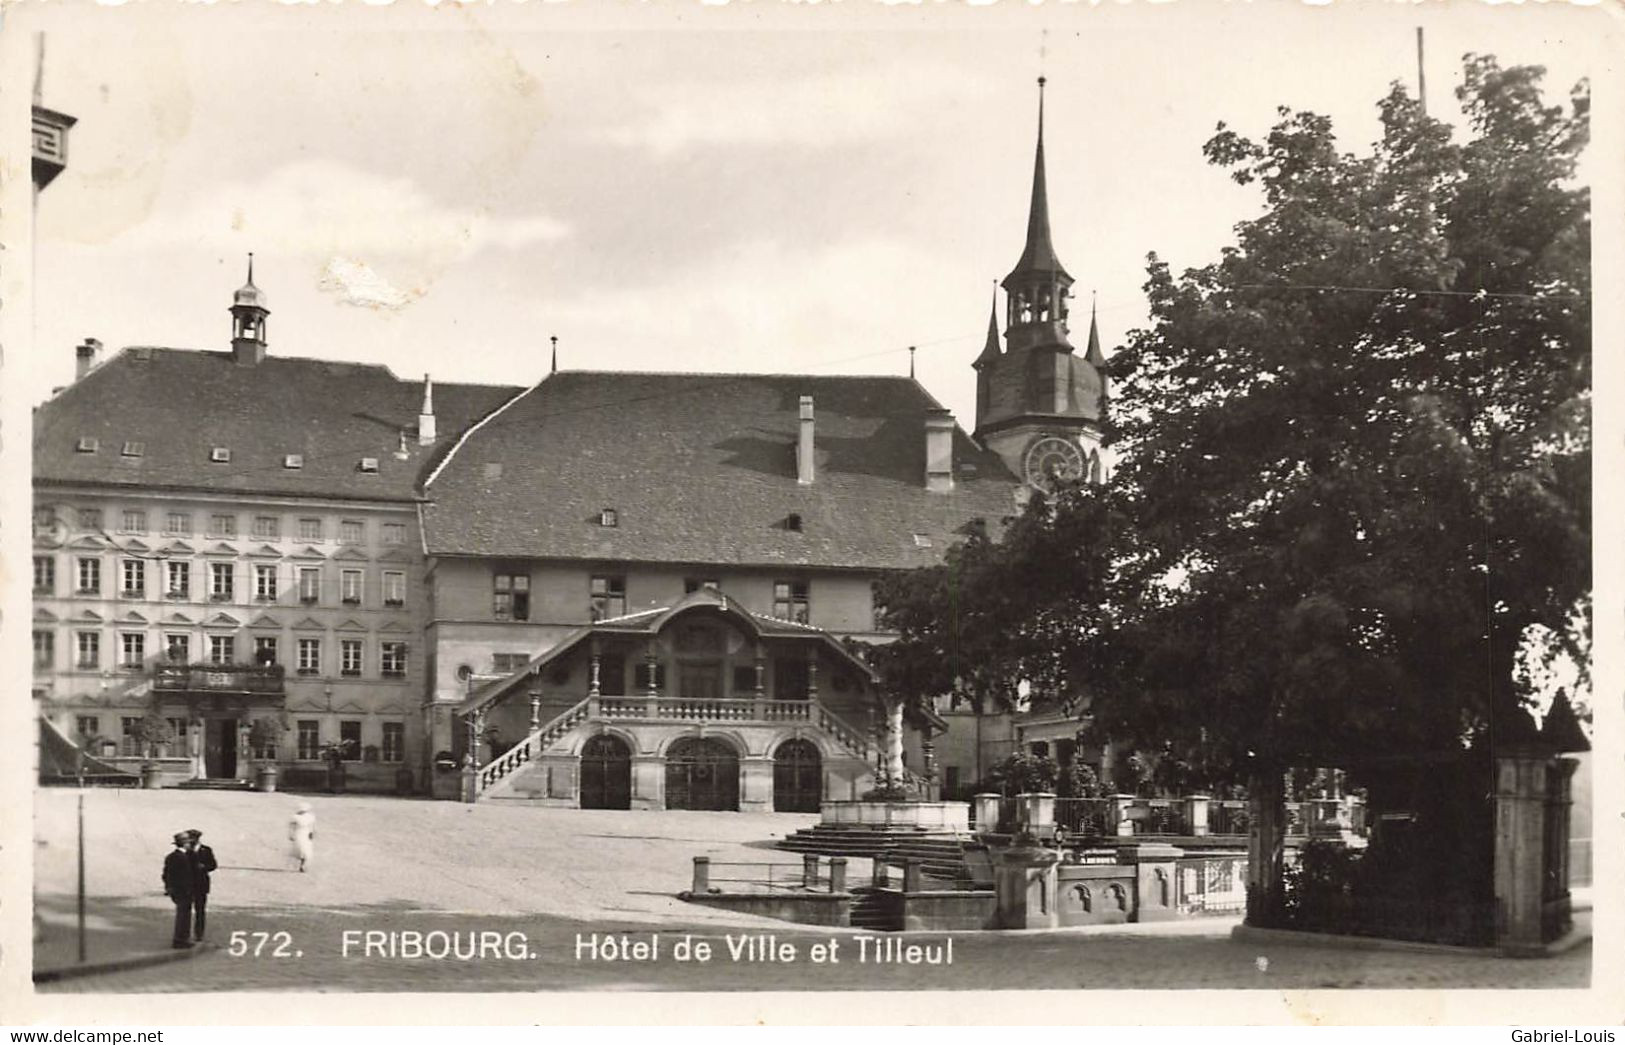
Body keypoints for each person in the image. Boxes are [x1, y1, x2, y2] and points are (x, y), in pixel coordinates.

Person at [161, 831, 196, 948]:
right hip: (181, 891)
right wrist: (172, 888)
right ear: (183, 844)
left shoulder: (182, 856)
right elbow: (169, 875)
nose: (190, 844)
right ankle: (180, 940)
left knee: (185, 915)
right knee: (183, 916)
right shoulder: (177, 857)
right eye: (188, 842)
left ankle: (183, 939)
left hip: (183, 890)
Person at [185, 829, 217, 942]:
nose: (191, 840)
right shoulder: (185, 850)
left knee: (200, 910)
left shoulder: (206, 850)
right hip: (187, 885)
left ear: (198, 839)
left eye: (193, 838)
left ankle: (199, 934)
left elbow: (213, 865)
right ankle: (185, 934)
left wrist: (204, 866)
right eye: (190, 838)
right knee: (185, 910)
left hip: (201, 885)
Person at [289, 802, 316, 872]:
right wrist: (291, 834)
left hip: (305, 833)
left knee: (305, 850)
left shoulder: (310, 817)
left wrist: (311, 833)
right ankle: (300, 863)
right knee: (300, 849)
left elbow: (311, 826)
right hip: (299, 833)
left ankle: (302, 865)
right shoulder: (295, 817)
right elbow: (292, 827)